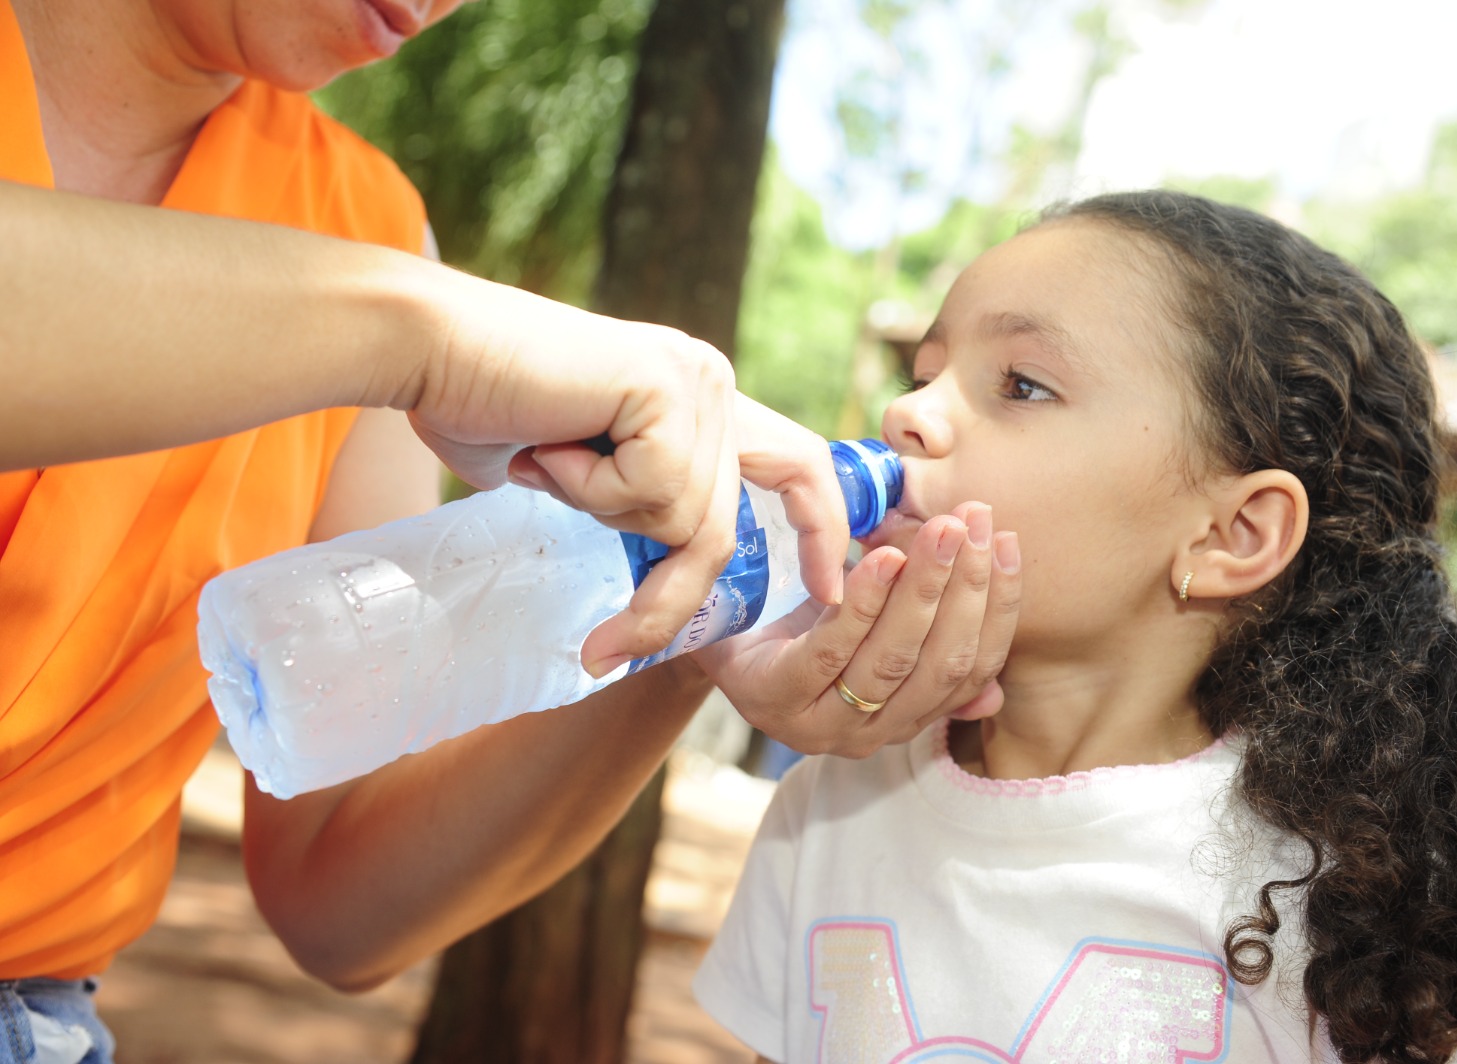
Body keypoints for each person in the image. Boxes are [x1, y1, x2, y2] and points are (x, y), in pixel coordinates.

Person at [0, 0, 1023, 1059]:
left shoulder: (366, 230)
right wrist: (430, 340)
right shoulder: (391, 302)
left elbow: (334, 905)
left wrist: (680, 635)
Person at [692, 189, 1457, 1062]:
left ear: (1231, 535)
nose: (907, 415)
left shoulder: (1365, 915)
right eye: (924, 375)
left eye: (1021, 384)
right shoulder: (831, 804)